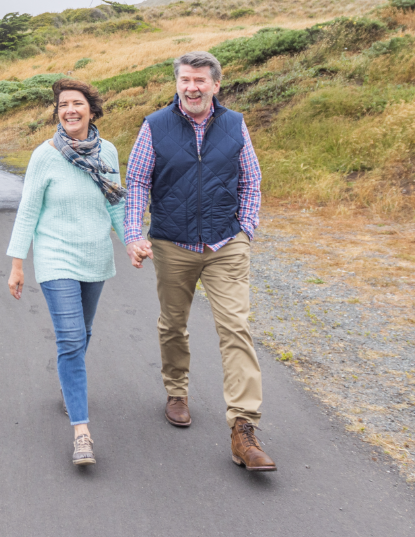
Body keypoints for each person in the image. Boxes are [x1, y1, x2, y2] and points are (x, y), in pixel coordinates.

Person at [123, 51, 275, 471]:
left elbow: (251, 180)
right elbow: (137, 181)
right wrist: (133, 234)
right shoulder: (154, 126)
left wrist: (245, 228)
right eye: (185, 80)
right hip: (173, 244)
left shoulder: (234, 123)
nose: (192, 88)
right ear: (177, 84)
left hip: (226, 244)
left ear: (215, 85)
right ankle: (176, 391)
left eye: (200, 81)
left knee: (236, 328)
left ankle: (243, 429)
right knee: (174, 323)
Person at [6, 78, 125, 466]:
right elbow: (28, 209)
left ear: (92, 109)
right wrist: (18, 262)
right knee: (71, 338)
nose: (69, 110)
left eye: (76, 103)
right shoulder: (45, 155)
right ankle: (82, 432)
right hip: (56, 257)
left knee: (84, 332)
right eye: (62, 106)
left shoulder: (107, 151)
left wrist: (134, 240)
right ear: (57, 113)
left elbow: (116, 205)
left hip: (94, 255)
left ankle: (68, 384)